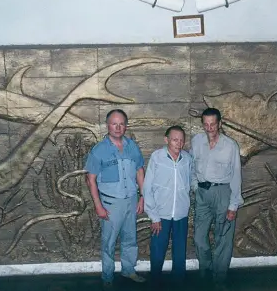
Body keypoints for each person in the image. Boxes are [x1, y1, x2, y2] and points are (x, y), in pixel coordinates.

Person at [85, 109, 146, 288]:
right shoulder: (99, 150)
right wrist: (98, 206)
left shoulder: (132, 146)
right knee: (109, 242)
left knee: (130, 239)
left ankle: (129, 270)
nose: (118, 127)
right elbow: (91, 180)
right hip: (110, 204)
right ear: (107, 125)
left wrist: (142, 197)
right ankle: (108, 276)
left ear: (126, 126)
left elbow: (140, 171)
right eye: (114, 124)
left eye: (121, 124)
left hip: (131, 200)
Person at [190, 108, 243, 291]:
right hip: (202, 194)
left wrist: (233, 204)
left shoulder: (230, 146)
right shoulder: (196, 141)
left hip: (223, 193)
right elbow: (191, 166)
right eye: (205, 124)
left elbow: (236, 175)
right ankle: (206, 269)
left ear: (219, 123)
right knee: (199, 237)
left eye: (213, 124)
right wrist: (195, 186)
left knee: (223, 238)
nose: (209, 127)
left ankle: (219, 277)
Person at [143, 125, 192, 286]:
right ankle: (155, 282)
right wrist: (153, 216)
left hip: (181, 214)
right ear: (166, 140)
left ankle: (179, 282)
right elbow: (147, 188)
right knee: (157, 251)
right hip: (160, 215)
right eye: (174, 140)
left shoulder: (187, 159)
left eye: (181, 140)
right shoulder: (156, 157)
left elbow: (190, 182)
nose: (178, 143)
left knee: (180, 251)